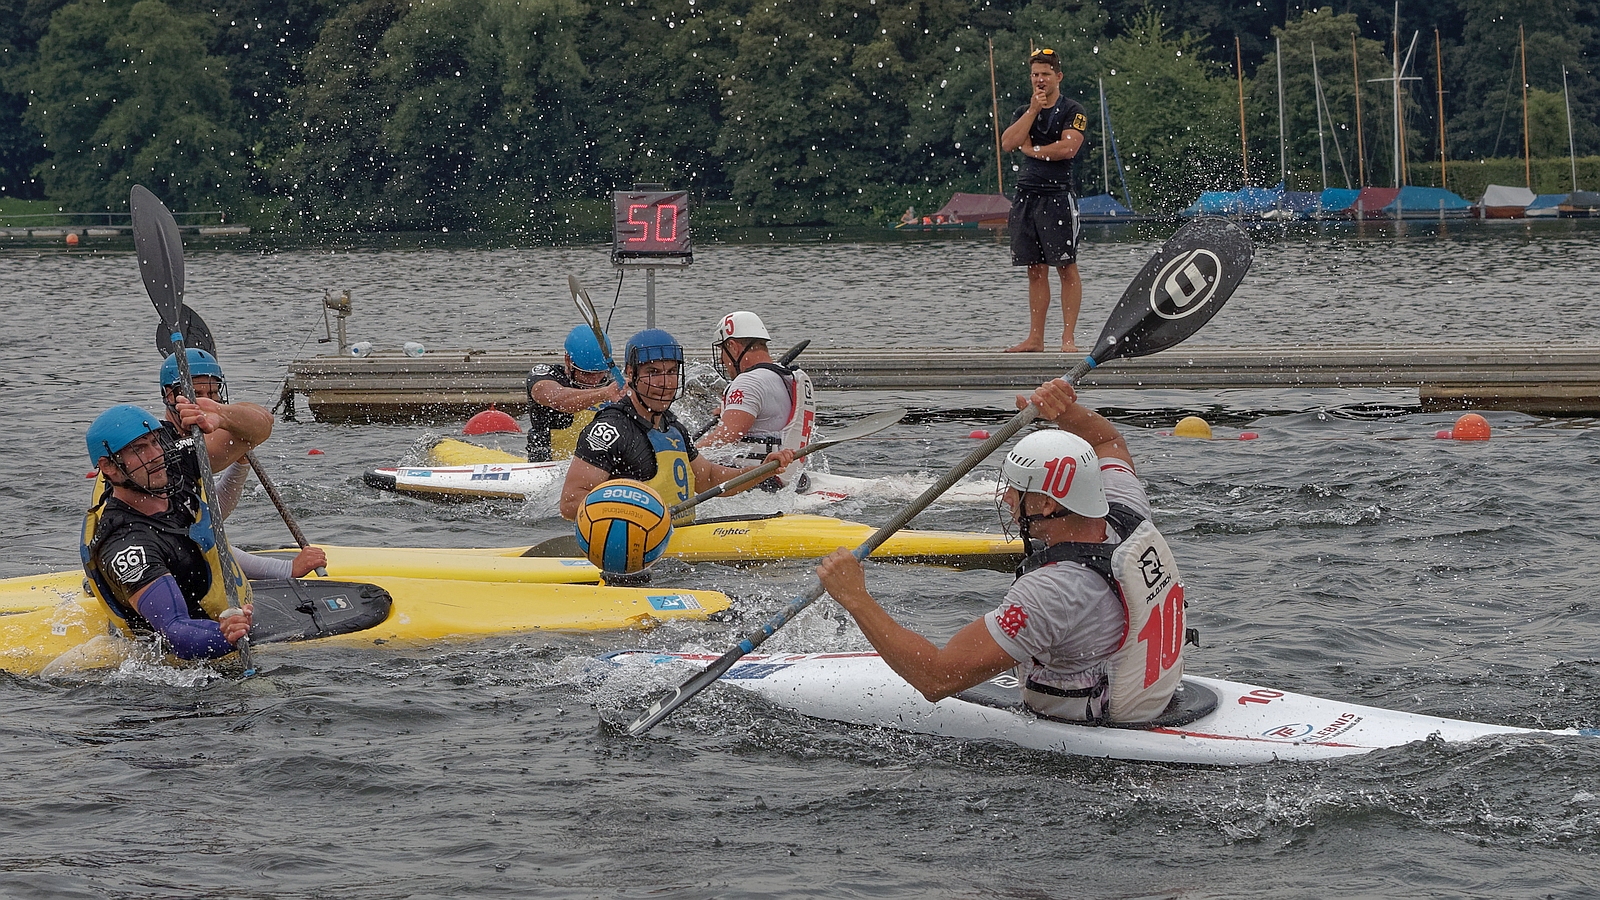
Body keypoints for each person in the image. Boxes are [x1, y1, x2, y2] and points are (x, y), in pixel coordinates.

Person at [815, 378, 1189, 725]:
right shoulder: (1126, 510)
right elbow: (1109, 444)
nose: (1006, 498)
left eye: (1016, 488)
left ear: (1046, 504)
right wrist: (1063, 413)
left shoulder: (1054, 590)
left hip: (1089, 722)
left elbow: (937, 678)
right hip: (1147, 691)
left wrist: (855, 597)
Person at [81, 400, 264, 660]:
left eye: (155, 442)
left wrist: (221, 417)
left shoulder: (169, 466)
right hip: (181, 666)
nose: (155, 454)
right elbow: (174, 632)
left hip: (232, 614)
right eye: (139, 449)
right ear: (109, 467)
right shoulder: (126, 545)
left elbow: (260, 429)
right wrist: (226, 636)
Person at [558, 328, 794, 523]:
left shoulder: (673, 427)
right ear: (631, 373)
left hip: (675, 541)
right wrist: (634, 514)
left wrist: (762, 471)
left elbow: (709, 479)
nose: (665, 382)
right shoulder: (610, 430)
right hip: (630, 551)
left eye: (671, 371)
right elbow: (570, 503)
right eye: (653, 372)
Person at [159, 348, 325, 580]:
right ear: (169, 395)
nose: (206, 401)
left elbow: (207, 517)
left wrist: (239, 462)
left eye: (213, 393)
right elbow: (262, 424)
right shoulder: (167, 447)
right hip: (152, 566)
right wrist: (285, 570)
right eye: (196, 393)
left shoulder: (176, 446)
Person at [1000, 48, 1088, 354]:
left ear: (1058, 77)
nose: (1040, 80)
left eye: (1046, 75)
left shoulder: (1072, 110)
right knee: (1035, 269)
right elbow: (1009, 143)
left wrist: (1034, 150)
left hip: (1057, 197)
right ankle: (1035, 338)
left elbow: (1068, 149)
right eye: (1036, 75)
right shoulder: (1024, 112)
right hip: (1026, 195)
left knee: (1066, 266)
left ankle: (1068, 338)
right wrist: (1033, 111)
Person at [696, 311, 815, 490]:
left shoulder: (748, 382)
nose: (722, 359)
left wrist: (685, 454)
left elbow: (725, 438)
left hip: (757, 484)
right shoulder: (784, 377)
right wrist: (734, 410)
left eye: (723, 350)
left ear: (733, 346)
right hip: (789, 480)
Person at [525, 326, 624, 462]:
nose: (594, 381)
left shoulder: (612, 383)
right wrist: (605, 393)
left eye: (599, 373)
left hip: (596, 463)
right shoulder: (545, 376)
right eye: (586, 374)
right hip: (547, 464)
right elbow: (558, 400)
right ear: (568, 361)